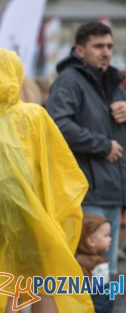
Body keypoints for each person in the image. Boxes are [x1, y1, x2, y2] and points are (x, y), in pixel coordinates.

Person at [0, 48, 94, 313]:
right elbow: (57, 166)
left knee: (0, 282)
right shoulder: (32, 115)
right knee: (42, 278)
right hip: (30, 212)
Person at [46, 22, 126, 275]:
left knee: (107, 274)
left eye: (109, 46)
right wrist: (102, 146)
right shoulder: (69, 81)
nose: (106, 52)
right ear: (80, 50)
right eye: (98, 46)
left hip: (112, 193)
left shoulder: (111, 83)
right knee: (87, 273)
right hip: (86, 194)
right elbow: (57, 124)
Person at [76, 214, 113, 313]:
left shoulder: (74, 259)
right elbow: (100, 298)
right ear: (91, 241)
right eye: (106, 235)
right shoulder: (99, 264)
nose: (110, 239)